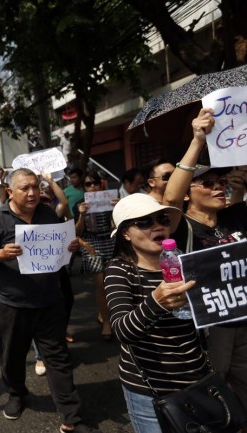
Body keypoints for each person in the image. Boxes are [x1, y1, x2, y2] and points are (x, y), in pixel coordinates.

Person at [0, 167, 99, 433]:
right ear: (10, 191)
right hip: (12, 304)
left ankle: (71, 417)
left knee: (58, 359)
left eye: (36, 187)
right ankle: (17, 394)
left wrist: (70, 247)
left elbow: (61, 245)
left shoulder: (46, 213)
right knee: (12, 357)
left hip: (49, 302)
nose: (33, 192)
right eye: (25, 188)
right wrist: (1, 253)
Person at [163, 107, 247, 416]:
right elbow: (170, 199)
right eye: (207, 183)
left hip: (243, 322)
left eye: (220, 181)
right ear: (188, 193)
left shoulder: (236, 215)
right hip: (211, 330)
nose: (217, 186)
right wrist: (198, 140)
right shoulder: (180, 225)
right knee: (213, 396)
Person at [104, 193, 205, 433]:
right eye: (144, 222)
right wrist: (156, 301)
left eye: (162, 219)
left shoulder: (185, 263)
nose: (158, 226)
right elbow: (122, 331)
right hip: (149, 389)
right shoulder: (120, 270)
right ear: (125, 233)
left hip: (196, 378)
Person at [73, 171, 114, 340]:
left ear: (101, 184)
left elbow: (118, 225)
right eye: (88, 184)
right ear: (83, 187)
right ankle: (106, 323)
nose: (92, 187)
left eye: (95, 183)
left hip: (110, 241)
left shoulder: (111, 200)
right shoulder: (79, 204)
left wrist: (118, 208)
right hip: (91, 243)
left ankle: (104, 313)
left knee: (113, 282)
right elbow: (76, 232)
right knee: (101, 285)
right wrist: (82, 215)